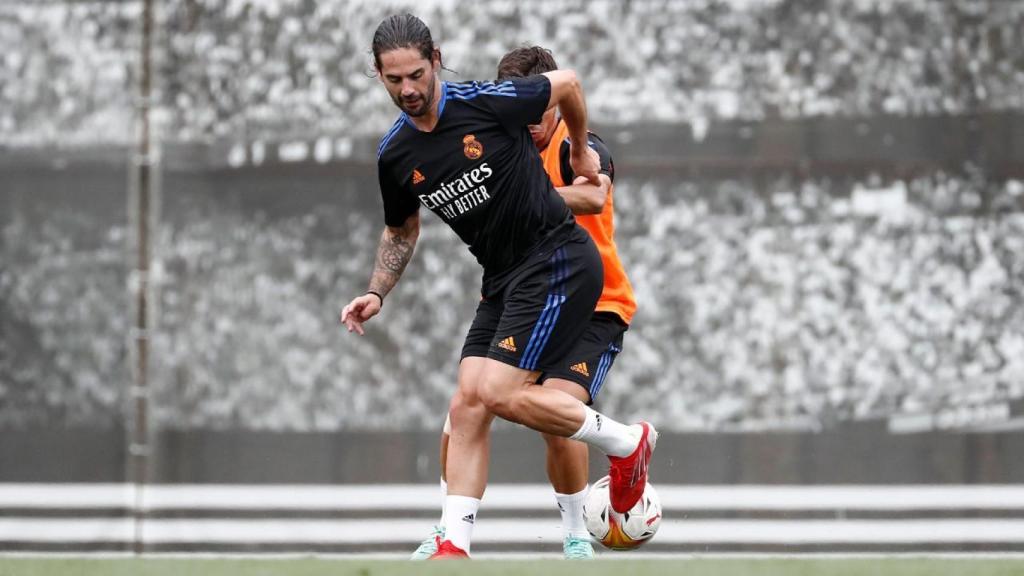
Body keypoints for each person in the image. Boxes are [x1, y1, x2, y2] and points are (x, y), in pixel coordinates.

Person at [341, 14, 657, 559]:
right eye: (395, 80)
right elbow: (401, 227)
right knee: (467, 403)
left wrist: (573, 154)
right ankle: (452, 542)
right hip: (509, 281)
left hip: (574, 280)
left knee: (530, 402)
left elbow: (594, 191)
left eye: (416, 74)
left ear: (436, 60)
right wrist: (377, 291)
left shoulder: (513, 119)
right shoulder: (398, 153)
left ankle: (601, 492)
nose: (408, 89)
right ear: (377, 75)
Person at [410, 46, 636, 560]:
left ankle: (577, 535)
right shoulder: (496, 141)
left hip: (591, 301)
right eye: (525, 114)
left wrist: (512, 198)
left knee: (556, 413)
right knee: (464, 406)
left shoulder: (579, 147)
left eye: (544, 114)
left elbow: (595, 194)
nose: (533, 125)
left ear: (555, 102)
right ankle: (449, 530)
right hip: (519, 293)